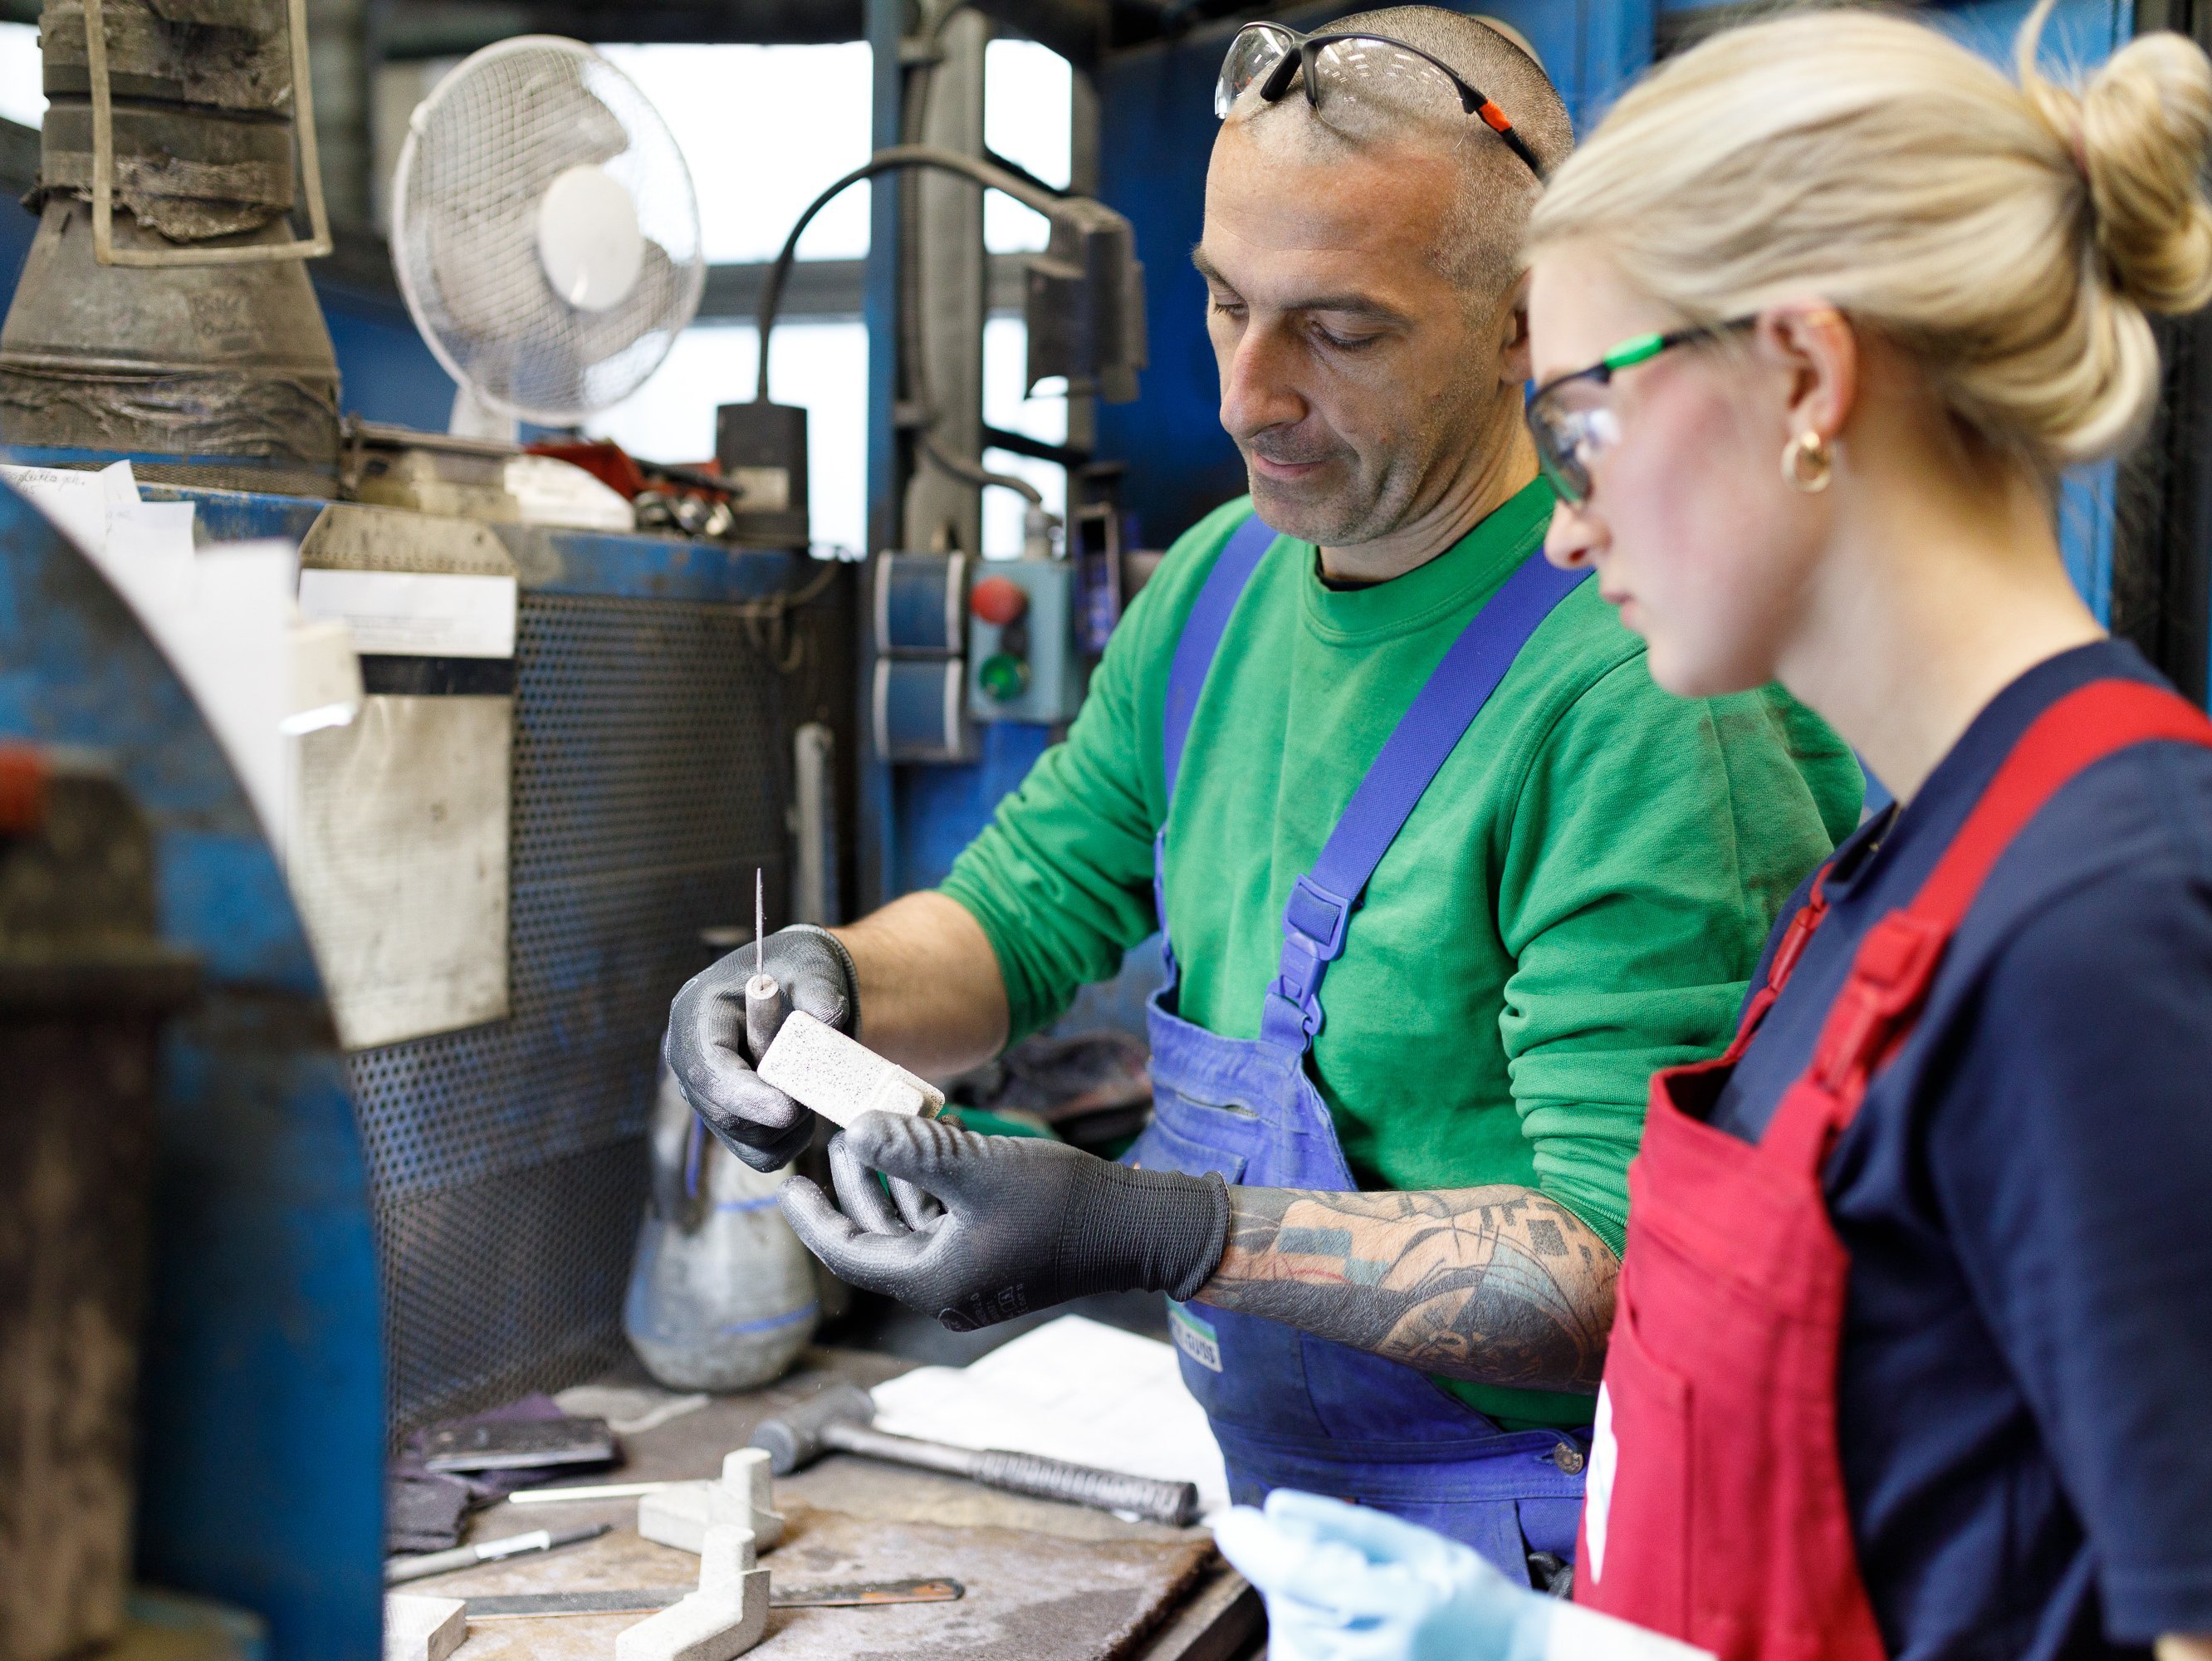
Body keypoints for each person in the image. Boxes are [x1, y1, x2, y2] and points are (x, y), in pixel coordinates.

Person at [666, 7, 1861, 1580]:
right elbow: (1026, 909)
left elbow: (1638, 1263)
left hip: (1554, 1545)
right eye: (1227, 302)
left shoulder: (1644, 685)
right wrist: (831, 991)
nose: (1246, 396)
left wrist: (1167, 1230)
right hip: (1295, 1511)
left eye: (1338, 331)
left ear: (1526, 323)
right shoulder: (1221, 585)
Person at [1216, 4, 2212, 1660]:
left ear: (1806, 378)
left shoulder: (2100, 920)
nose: (1564, 529)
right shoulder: (1897, 876)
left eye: (1582, 428)